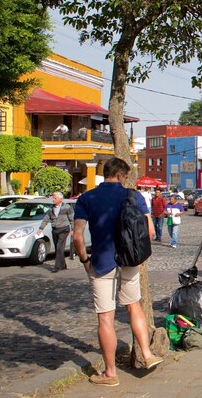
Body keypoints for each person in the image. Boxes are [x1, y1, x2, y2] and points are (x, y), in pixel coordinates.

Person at [71, 157, 162, 387]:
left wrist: (85, 260)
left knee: (106, 317)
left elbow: (77, 236)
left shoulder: (86, 198)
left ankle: (110, 373)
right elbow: (150, 232)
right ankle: (147, 355)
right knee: (134, 306)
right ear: (121, 175)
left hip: (101, 262)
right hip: (129, 261)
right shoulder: (135, 196)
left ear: (106, 174)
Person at [39, 192, 74, 273]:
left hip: (64, 229)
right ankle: (63, 265)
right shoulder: (51, 208)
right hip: (55, 229)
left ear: (60, 199)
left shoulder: (67, 207)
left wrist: (72, 229)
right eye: (53, 198)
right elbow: (46, 218)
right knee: (58, 249)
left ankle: (57, 266)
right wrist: (41, 229)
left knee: (59, 247)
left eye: (55, 198)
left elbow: (72, 219)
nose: (53, 200)